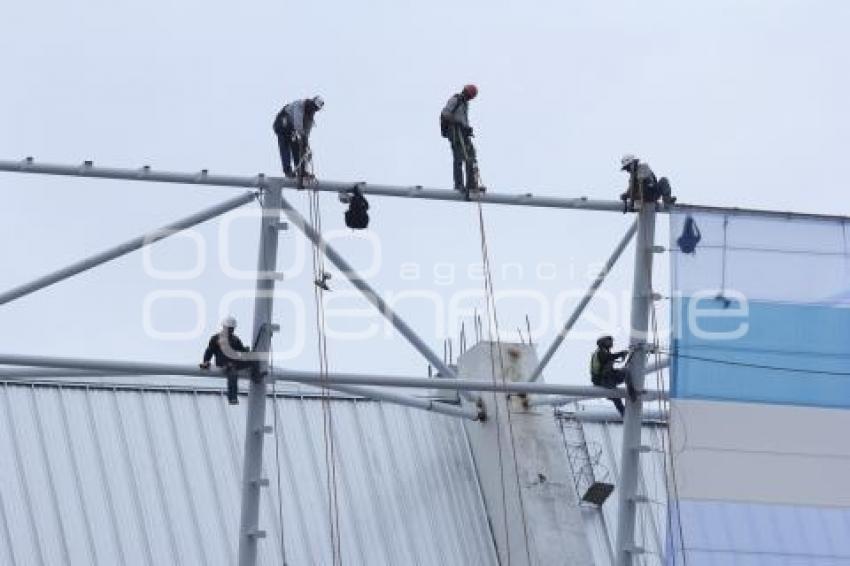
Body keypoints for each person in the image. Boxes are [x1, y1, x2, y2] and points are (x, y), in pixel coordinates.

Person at [199, 316, 256, 405]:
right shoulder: (216, 338)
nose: (230, 330)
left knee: (253, 361)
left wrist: (248, 352)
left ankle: (258, 375)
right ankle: (232, 398)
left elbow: (242, 350)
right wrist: (206, 361)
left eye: (231, 329)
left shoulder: (235, 339)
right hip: (223, 362)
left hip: (234, 362)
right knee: (232, 373)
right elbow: (209, 351)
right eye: (228, 328)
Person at [441, 84, 481, 195]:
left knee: (471, 156)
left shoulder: (465, 104)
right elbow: (445, 114)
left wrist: (467, 128)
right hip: (455, 133)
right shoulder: (456, 100)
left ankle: (471, 184)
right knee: (459, 158)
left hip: (462, 133)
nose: (469, 98)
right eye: (469, 96)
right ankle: (459, 184)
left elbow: (463, 119)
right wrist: (457, 123)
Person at [273, 95, 325, 179]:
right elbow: (298, 124)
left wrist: (306, 145)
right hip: (282, 123)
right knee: (285, 144)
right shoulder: (300, 105)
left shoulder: (310, 117)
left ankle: (301, 171)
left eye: (317, 109)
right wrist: (302, 137)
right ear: (312, 103)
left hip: (292, 129)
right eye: (315, 107)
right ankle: (287, 170)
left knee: (298, 146)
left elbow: (306, 133)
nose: (314, 110)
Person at [589, 335, 632, 416]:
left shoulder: (603, 351)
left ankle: (624, 412)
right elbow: (608, 358)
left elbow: (609, 360)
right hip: (603, 379)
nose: (611, 343)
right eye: (609, 341)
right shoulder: (601, 352)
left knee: (616, 397)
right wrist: (621, 353)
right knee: (625, 373)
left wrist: (620, 355)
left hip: (605, 378)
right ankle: (631, 391)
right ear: (603, 343)